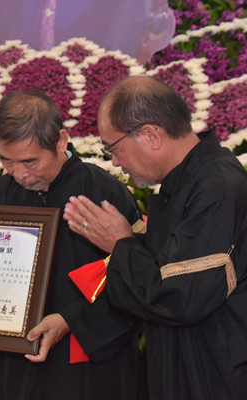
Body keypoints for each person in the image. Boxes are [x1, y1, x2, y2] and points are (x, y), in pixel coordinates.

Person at [0, 91, 143, 400]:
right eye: (7, 161)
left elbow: (137, 283)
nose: (20, 174)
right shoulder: (1, 193)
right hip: (14, 367)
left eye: (30, 161)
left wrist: (70, 321)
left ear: (61, 141)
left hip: (85, 365)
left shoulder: (104, 193)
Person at [64, 76, 247, 400]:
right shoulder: (184, 185)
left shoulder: (218, 187)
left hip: (217, 378)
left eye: (113, 148)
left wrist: (121, 243)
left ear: (150, 135)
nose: (115, 162)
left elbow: (178, 298)